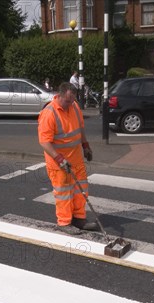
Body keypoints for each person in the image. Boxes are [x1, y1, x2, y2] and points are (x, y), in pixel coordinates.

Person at [38, 82, 96, 234]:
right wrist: (59, 159)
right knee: (64, 193)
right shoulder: (49, 113)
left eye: (72, 101)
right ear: (59, 96)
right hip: (59, 163)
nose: (70, 104)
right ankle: (64, 223)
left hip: (76, 159)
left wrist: (86, 146)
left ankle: (79, 218)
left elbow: (80, 128)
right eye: (67, 101)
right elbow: (44, 142)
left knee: (80, 190)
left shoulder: (74, 107)